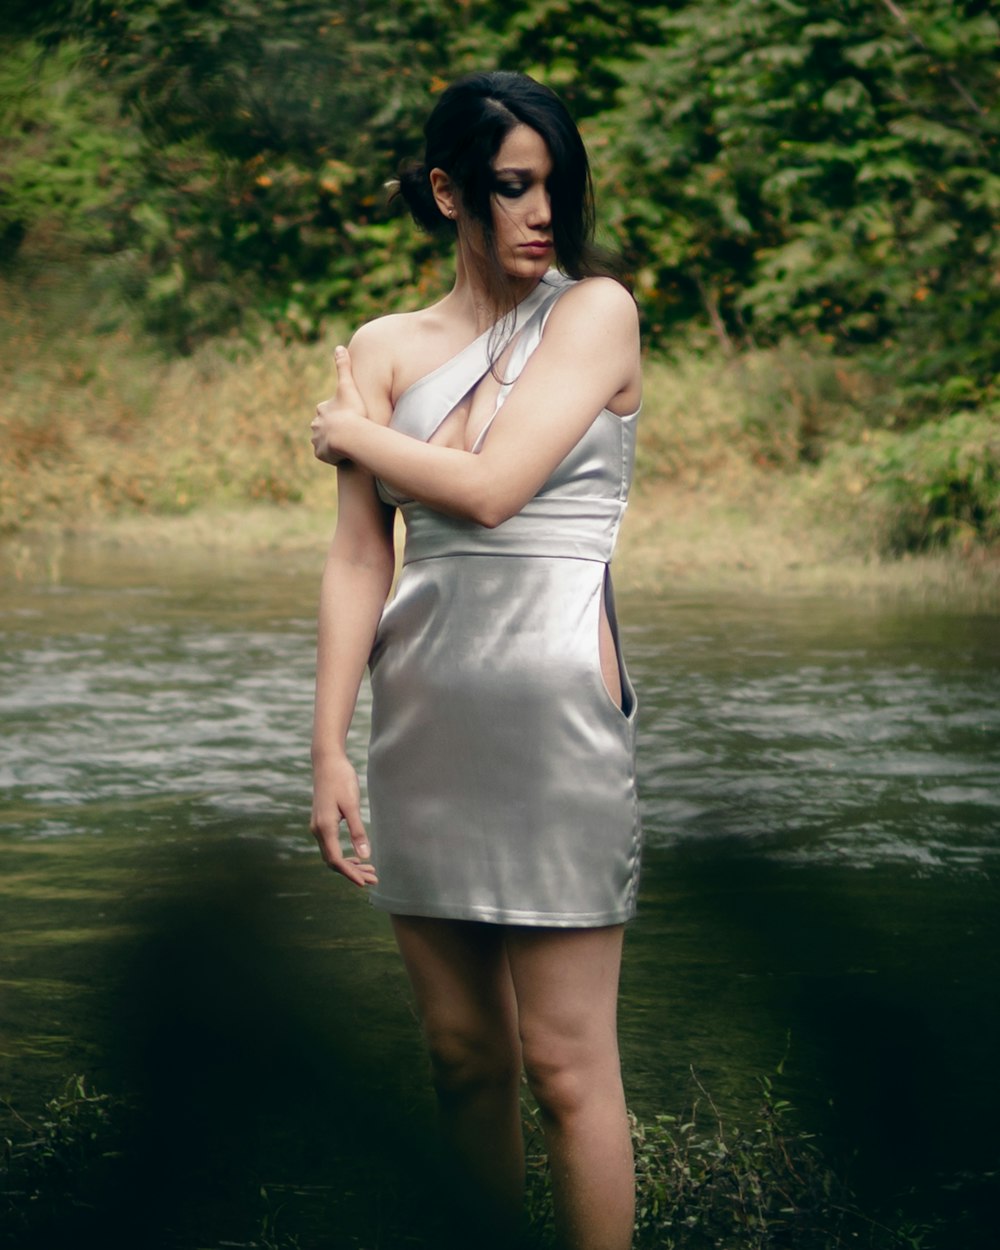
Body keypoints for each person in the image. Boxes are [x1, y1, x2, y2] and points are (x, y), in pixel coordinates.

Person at [309, 71, 642, 1250]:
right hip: (421, 718)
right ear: (450, 190)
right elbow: (360, 559)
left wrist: (349, 430)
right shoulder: (387, 345)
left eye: (555, 184)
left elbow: (496, 493)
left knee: (563, 1064)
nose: (539, 211)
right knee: (461, 1058)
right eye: (511, 187)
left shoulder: (595, 310)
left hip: (555, 716)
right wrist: (328, 746)